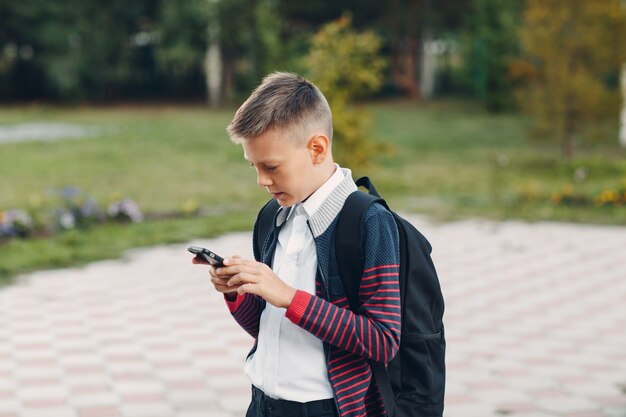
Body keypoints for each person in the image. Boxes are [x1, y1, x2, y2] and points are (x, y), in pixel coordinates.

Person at [193, 72, 401, 417]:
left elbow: (382, 340)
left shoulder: (367, 222)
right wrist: (238, 292)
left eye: (271, 166)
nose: (261, 180)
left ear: (316, 148)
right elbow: (266, 325)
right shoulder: (273, 218)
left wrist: (289, 296)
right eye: (253, 166)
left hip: (325, 408)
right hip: (262, 403)